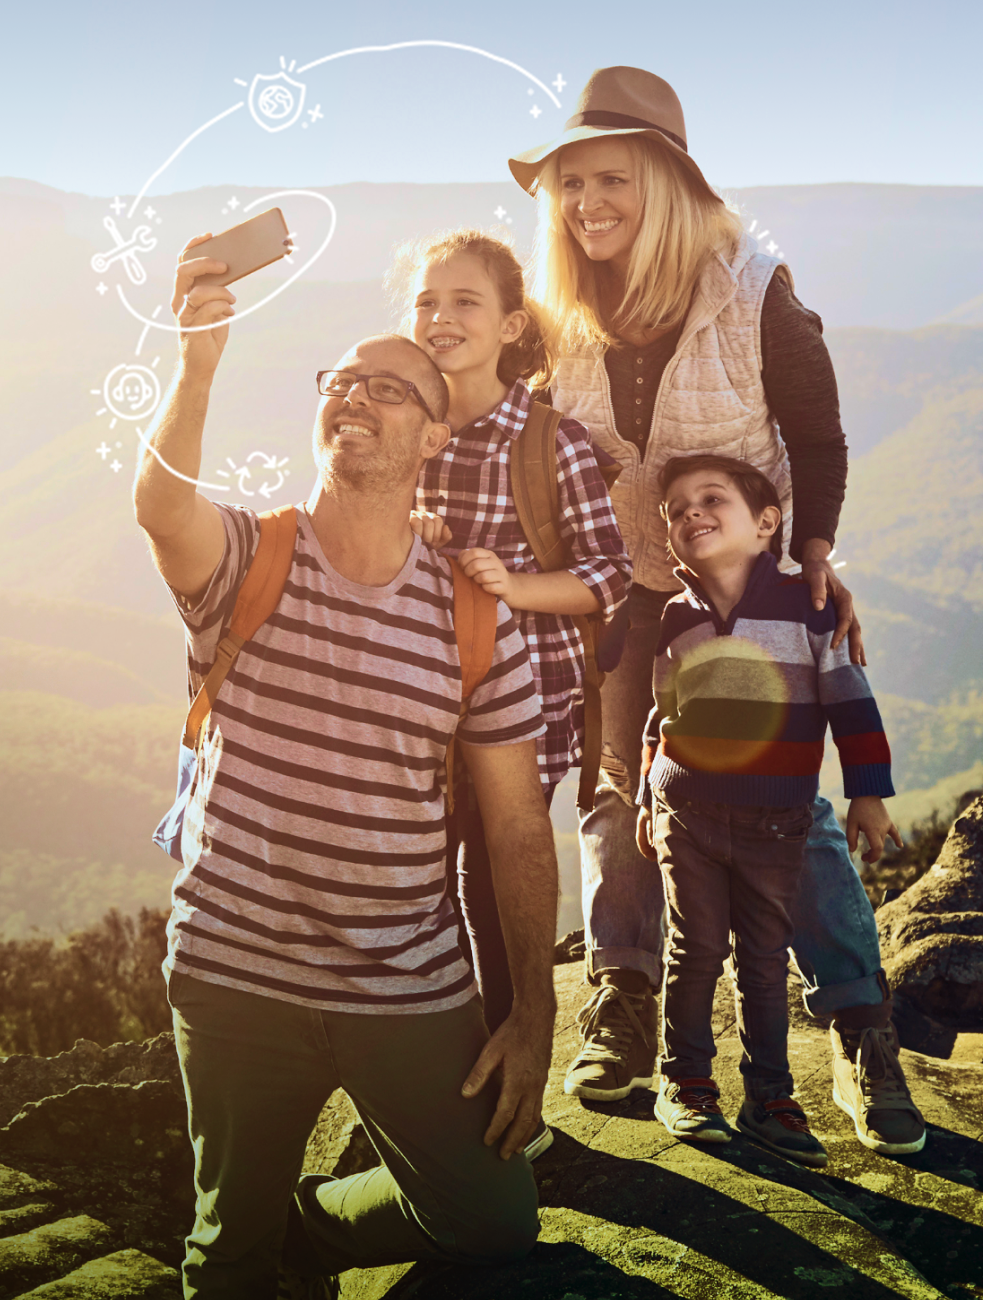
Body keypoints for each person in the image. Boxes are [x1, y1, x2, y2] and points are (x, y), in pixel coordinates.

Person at [132, 233, 557, 1298]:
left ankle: (312, 1226)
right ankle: (255, 1232)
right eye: (343, 382)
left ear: (436, 431)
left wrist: (533, 1013)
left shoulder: (473, 616)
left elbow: (513, 824)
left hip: (406, 983)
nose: (358, 397)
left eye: (392, 387)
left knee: (491, 1223)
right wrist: (197, 364)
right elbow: (160, 507)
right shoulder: (250, 559)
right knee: (224, 1260)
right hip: (238, 971)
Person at [509, 65, 924, 1156]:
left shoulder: (754, 290)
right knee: (618, 793)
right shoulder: (550, 314)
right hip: (616, 589)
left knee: (789, 808)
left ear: (667, 184)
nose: (587, 204)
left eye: (611, 179)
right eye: (570, 184)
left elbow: (819, 436)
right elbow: (479, 400)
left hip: (741, 590)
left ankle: (856, 1019)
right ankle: (627, 997)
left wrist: (816, 559)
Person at [633, 454, 909, 1161]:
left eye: (710, 498)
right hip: (686, 813)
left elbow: (851, 700)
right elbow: (659, 715)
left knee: (761, 961)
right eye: (675, 509)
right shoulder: (675, 616)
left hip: (777, 822)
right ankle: (687, 1083)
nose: (689, 512)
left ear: (766, 523)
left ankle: (772, 1100)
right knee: (693, 953)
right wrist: (645, 800)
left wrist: (868, 793)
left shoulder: (806, 607)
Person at [395, 228, 631, 1031]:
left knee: (497, 875)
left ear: (511, 325)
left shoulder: (546, 440)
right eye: (427, 301)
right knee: (427, 877)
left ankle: (511, 1044)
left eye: (465, 301)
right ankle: (446, 1049)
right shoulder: (401, 430)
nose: (440, 317)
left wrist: (514, 584)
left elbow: (608, 575)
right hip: (418, 695)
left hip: (525, 697)